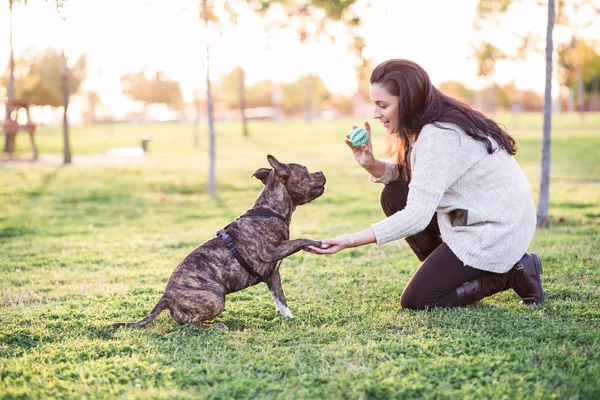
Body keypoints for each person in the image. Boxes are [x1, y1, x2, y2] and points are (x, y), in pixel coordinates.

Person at [308, 59, 544, 309]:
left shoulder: (439, 136)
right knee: (394, 195)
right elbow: (418, 176)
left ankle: (516, 271)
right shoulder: (425, 127)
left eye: (383, 105)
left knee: (418, 300)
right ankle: (445, 275)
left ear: (408, 100)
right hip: (474, 215)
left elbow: (417, 217)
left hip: (497, 228)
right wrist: (372, 164)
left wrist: (350, 240)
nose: (376, 114)